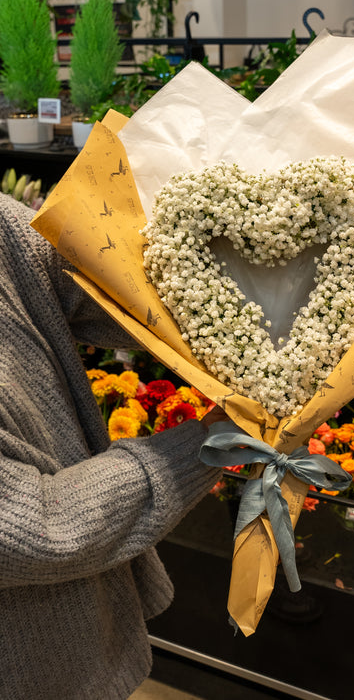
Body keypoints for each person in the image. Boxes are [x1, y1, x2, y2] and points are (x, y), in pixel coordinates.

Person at [0, 192, 223, 700]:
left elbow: (88, 280)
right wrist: (211, 442)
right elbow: (39, 524)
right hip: (29, 662)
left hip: (83, 622)